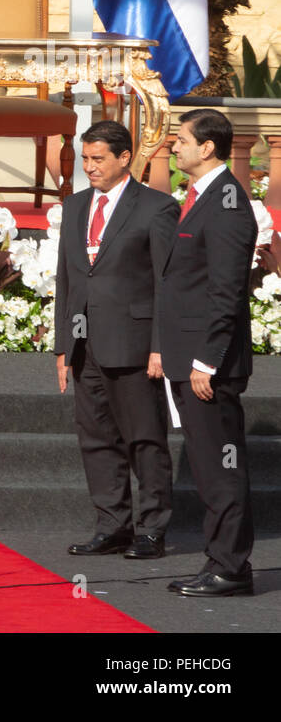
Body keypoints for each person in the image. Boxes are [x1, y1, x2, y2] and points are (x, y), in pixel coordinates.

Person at [54, 121, 178, 561]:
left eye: (98, 159)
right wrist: (63, 346)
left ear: (125, 158)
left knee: (144, 439)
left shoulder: (158, 208)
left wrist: (161, 345)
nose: (90, 167)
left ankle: (151, 530)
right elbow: (67, 279)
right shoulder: (74, 206)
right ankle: (112, 526)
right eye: (85, 158)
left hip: (136, 344)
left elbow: (167, 281)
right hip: (86, 345)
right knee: (96, 439)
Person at [158, 109, 257, 597]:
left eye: (181, 140)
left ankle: (231, 568)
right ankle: (221, 560)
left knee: (221, 467)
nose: (173, 147)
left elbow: (226, 290)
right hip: (191, 358)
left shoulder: (227, 204)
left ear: (207, 148)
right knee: (207, 465)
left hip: (208, 366)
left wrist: (207, 359)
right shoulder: (203, 197)